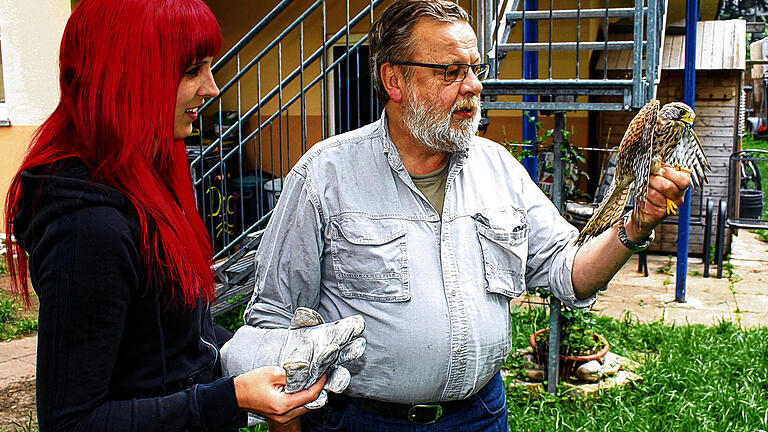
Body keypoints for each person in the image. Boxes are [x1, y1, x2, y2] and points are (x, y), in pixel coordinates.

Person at [229, 0, 693, 431]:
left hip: (480, 416)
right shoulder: (325, 175)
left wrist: (635, 226)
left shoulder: (499, 169)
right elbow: (274, 321)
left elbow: (569, 273)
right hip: (360, 420)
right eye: (450, 71)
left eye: (475, 69)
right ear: (395, 81)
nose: (472, 86)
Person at [2, 0, 364, 430]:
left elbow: (174, 341)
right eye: (193, 70)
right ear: (128, 76)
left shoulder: (144, 180)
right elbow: (73, 422)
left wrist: (273, 355)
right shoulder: (88, 226)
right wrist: (232, 399)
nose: (211, 88)